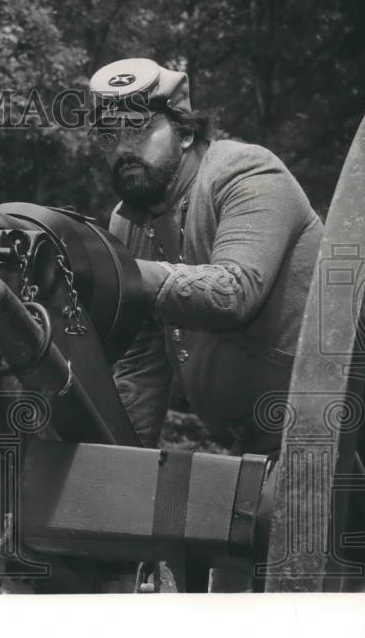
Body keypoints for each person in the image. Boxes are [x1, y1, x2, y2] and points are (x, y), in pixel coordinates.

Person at [89, 58, 323, 456]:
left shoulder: (247, 172)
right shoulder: (125, 222)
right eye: (109, 135)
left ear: (183, 133)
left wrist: (116, 272)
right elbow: (142, 361)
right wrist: (117, 468)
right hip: (251, 444)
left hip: (337, 428)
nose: (123, 147)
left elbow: (232, 292)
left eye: (140, 127)